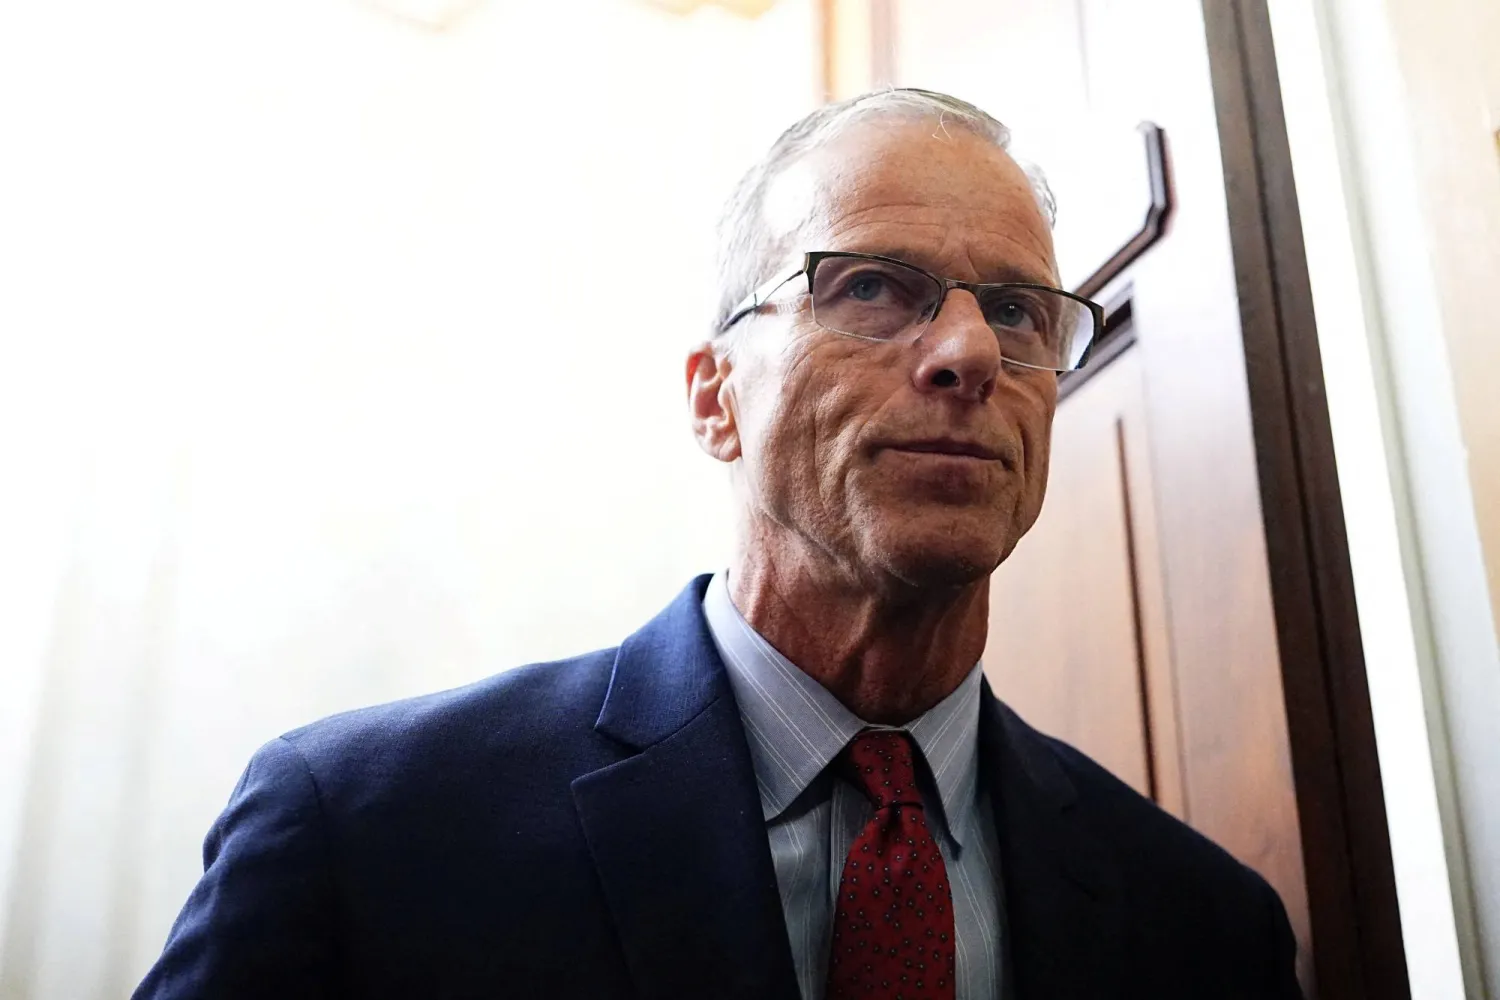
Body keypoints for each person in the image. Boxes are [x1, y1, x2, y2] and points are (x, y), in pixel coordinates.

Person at [135, 88, 1303, 1000]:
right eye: (872, 287)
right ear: (714, 397)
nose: (969, 355)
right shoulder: (363, 827)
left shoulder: (1205, 925)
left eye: (1017, 311)